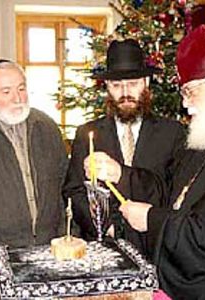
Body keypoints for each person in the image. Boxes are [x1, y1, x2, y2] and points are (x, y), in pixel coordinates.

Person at [85, 25, 205, 299]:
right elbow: (174, 193)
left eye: (190, 91)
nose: (186, 105)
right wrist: (121, 175)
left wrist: (151, 219)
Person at [63, 39, 185, 259]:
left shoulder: (173, 133)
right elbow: (74, 192)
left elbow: (173, 193)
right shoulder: (86, 133)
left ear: (146, 82)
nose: (125, 93)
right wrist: (106, 225)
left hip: (156, 249)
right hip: (103, 250)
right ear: (107, 88)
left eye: (133, 83)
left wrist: (121, 174)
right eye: (117, 85)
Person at [0, 59, 68, 262]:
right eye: (6, 92)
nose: (17, 98)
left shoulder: (46, 127)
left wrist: (63, 238)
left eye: (21, 89)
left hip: (48, 253)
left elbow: (64, 189)